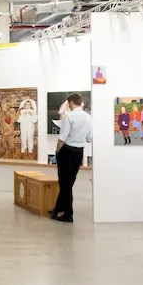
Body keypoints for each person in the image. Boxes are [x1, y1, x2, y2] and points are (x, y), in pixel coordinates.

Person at [50, 93, 93, 223]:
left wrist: (57, 151)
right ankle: (57, 209)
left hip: (67, 151)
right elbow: (89, 138)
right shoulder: (89, 117)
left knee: (65, 184)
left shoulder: (70, 117)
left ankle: (68, 214)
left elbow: (62, 138)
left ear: (71, 103)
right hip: (79, 152)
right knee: (68, 183)